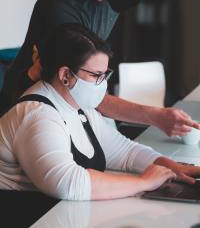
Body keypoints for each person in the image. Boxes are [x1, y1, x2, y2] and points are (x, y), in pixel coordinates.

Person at [1, 0, 199, 136]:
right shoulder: (63, 9)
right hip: (26, 103)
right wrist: (156, 116)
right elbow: (85, 92)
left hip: (66, 101)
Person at [0, 24, 200, 201]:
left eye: (105, 74)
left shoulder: (79, 105)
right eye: (96, 75)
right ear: (65, 75)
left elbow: (124, 152)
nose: (103, 83)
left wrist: (171, 167)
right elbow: (67, 183)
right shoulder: (37, 114)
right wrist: (144, 182)